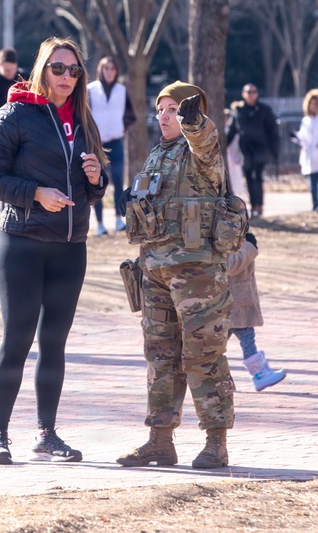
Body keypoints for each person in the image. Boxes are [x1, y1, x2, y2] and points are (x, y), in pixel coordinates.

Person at [0, 37, 107, 465]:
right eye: (58, 68)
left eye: (73, 70)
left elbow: (94, 191)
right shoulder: (16, 112)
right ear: (41, 70)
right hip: (23, 244)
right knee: (17, 339)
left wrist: (95, 178)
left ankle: (47, 434)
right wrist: (35, 193)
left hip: (71, 248)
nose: (66, 77)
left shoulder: (84, 119)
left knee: (54, 343)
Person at [116, 81, 236, 470]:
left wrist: (194, 122)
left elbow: (205, 141)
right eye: (161, 109)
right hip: (155, 271)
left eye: (173, 109)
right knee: (160, 356)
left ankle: (216, 442)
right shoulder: (156, 155)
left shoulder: (202, 151)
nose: (165, 116)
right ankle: (159, 441)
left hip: (198, 273)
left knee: (203, 355)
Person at [227, 232, 286, 391]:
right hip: (233, 303)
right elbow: (231, 266)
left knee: (215, 345)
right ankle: (259, 375)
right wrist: (249, 246)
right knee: (246, 340)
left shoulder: (234, 232)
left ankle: (259, 374)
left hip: (236, 302)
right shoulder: (223, 234)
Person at [87, 56, 136, 235]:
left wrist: (121, 127)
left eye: (112, 69)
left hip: (116, 141)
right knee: (97, 181)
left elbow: (131, 115)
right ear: (101, 70)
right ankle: (99, 223)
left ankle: (118, 219)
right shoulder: (91, 90)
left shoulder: (121, 90)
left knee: (117, 179)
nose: (109, 72)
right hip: (97, 143)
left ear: (116, 71)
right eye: (106, 68)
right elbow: (84, 114)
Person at [227, 83, 278, 217]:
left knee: (257, 176)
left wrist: (275, 152)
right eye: (248, 92)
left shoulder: (265, 110)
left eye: (254, 92)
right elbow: (232, 131)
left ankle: (259, 205)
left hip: (261, 149)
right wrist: (222, 145)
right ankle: (253, 205)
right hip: (246, 150)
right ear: (243, 94)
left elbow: (273, 132)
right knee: (249, 177)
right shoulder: (238, 111)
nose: (251, 95)